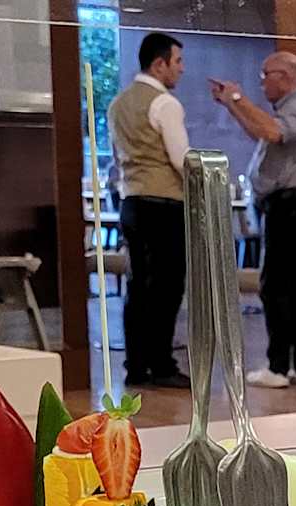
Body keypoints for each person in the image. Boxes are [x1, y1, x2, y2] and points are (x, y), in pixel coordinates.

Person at [214, 51, 296, 388]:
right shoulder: (288, 108)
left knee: (277, 286)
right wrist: (232, 106)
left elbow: (272, 132)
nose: (262, 82)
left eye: (266, 75)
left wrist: (238, 98)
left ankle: (278, 366)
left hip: (294, 206)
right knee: (294, 287)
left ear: (285, 76)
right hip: (294, 205)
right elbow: (260, 130)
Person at [108, 32, 190, 389]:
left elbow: (116, 158)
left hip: (132, 202)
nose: (181, 69)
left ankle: (136, 365)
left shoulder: (118, 104)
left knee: (139, 285)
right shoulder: (165, 104)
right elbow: (181, 159)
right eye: (177, 61)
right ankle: (162, 364)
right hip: (164, 204)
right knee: (168, 286)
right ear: (159, 64)